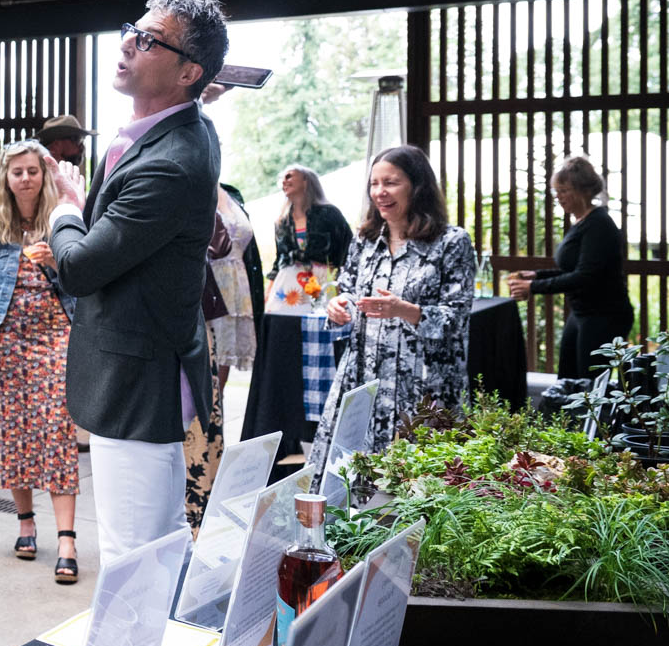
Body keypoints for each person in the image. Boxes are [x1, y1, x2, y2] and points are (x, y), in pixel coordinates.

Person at [46, 0, 227, 565]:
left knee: (134, 555)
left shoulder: (171, 163)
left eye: (149, 40)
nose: (127, 43)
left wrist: (67, 208)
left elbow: (77, 266)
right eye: (133, 29)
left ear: (188, 72)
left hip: (139, 377)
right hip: (143, 361)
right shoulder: (172, 130)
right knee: (154, 543)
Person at [308, 145, 476, 471]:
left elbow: (456, 317)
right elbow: (349, 293)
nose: (380, 192)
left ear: (417, 185)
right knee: (354, 480)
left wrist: (405, 310)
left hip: (425, 387)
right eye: (374, 184)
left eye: (391, 182)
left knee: (423, 482)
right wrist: (338, 306)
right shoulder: (364, 240)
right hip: (366, 380)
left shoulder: (451, 243)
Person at [0, 140, 80, 583]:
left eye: (32, 171)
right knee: (14, 435)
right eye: (17, 172)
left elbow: (87, 275)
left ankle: (67, 539)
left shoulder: (62, 218)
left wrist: (59, 263)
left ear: (43, 175)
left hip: (57, 336)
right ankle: (25, 523)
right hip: (5, 339)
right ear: (5, 178)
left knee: (57, 432)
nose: (26, 178)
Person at [507, 156, 632, 379]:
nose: (558, 197)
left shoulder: (599, 224)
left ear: (582, 191)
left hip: (604, 316)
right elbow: (574, 269)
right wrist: (536, 275)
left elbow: (586, 277)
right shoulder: (582, 222)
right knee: (567, 379)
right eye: (556, 191)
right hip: (582, 313)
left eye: (563, 191)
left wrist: (533, 286)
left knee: (587, 386)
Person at [187, 183, 261, 526]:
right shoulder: (191, 188)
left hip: (237, 287)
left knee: (222, 382)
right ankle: (204, 459)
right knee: (209, 379)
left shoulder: (233, 193)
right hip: (208, 289)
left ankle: (214, 452)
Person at [266, 165, 353, 310]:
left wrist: (343, 284)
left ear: (306, 181)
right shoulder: (282, 221)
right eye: (282, 178)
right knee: (284, 327)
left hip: (324, 282)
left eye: (289, 176)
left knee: (321, 325)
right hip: (288, 286)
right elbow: (279, 259)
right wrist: (269, 291)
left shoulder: (330, 214)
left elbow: (349, 250)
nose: (284, 182)